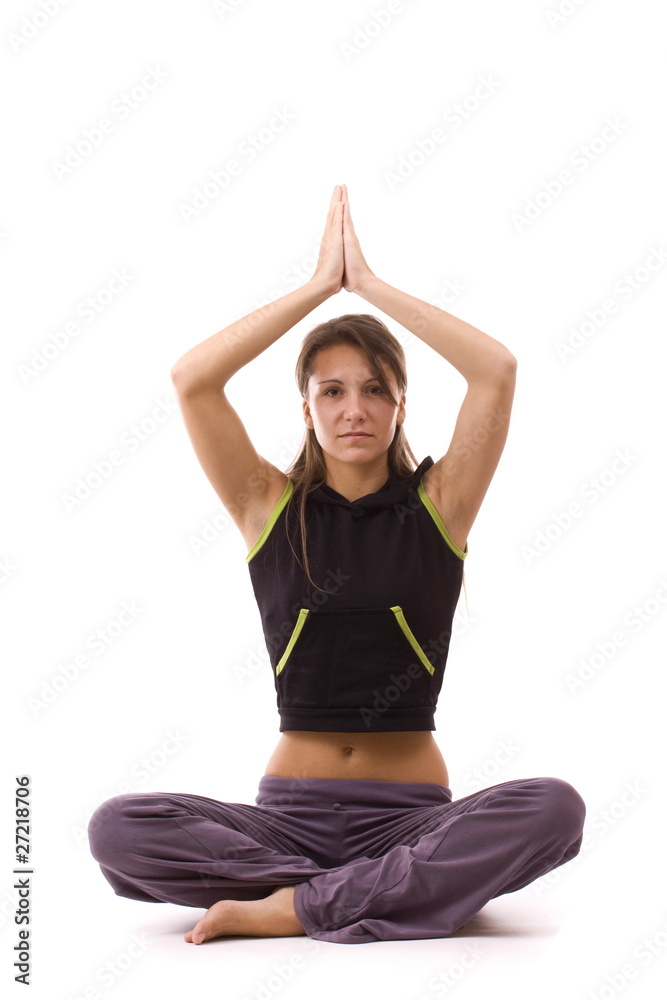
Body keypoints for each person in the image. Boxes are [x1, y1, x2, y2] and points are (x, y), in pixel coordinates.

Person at [87, 184, 586, 945]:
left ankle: (299, 906)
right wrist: (320, 286)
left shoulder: (440, 505)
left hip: (412, 820)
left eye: (375, 390)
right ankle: (393, 893)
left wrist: (373, 288)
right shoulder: (267, 506)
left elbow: (496, 371)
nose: (354, 409)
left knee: (554, 808)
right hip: (284, 825)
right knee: (118, 829)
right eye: (332, 391)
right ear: (307, 409)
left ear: (398, 408)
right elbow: (193, 379)